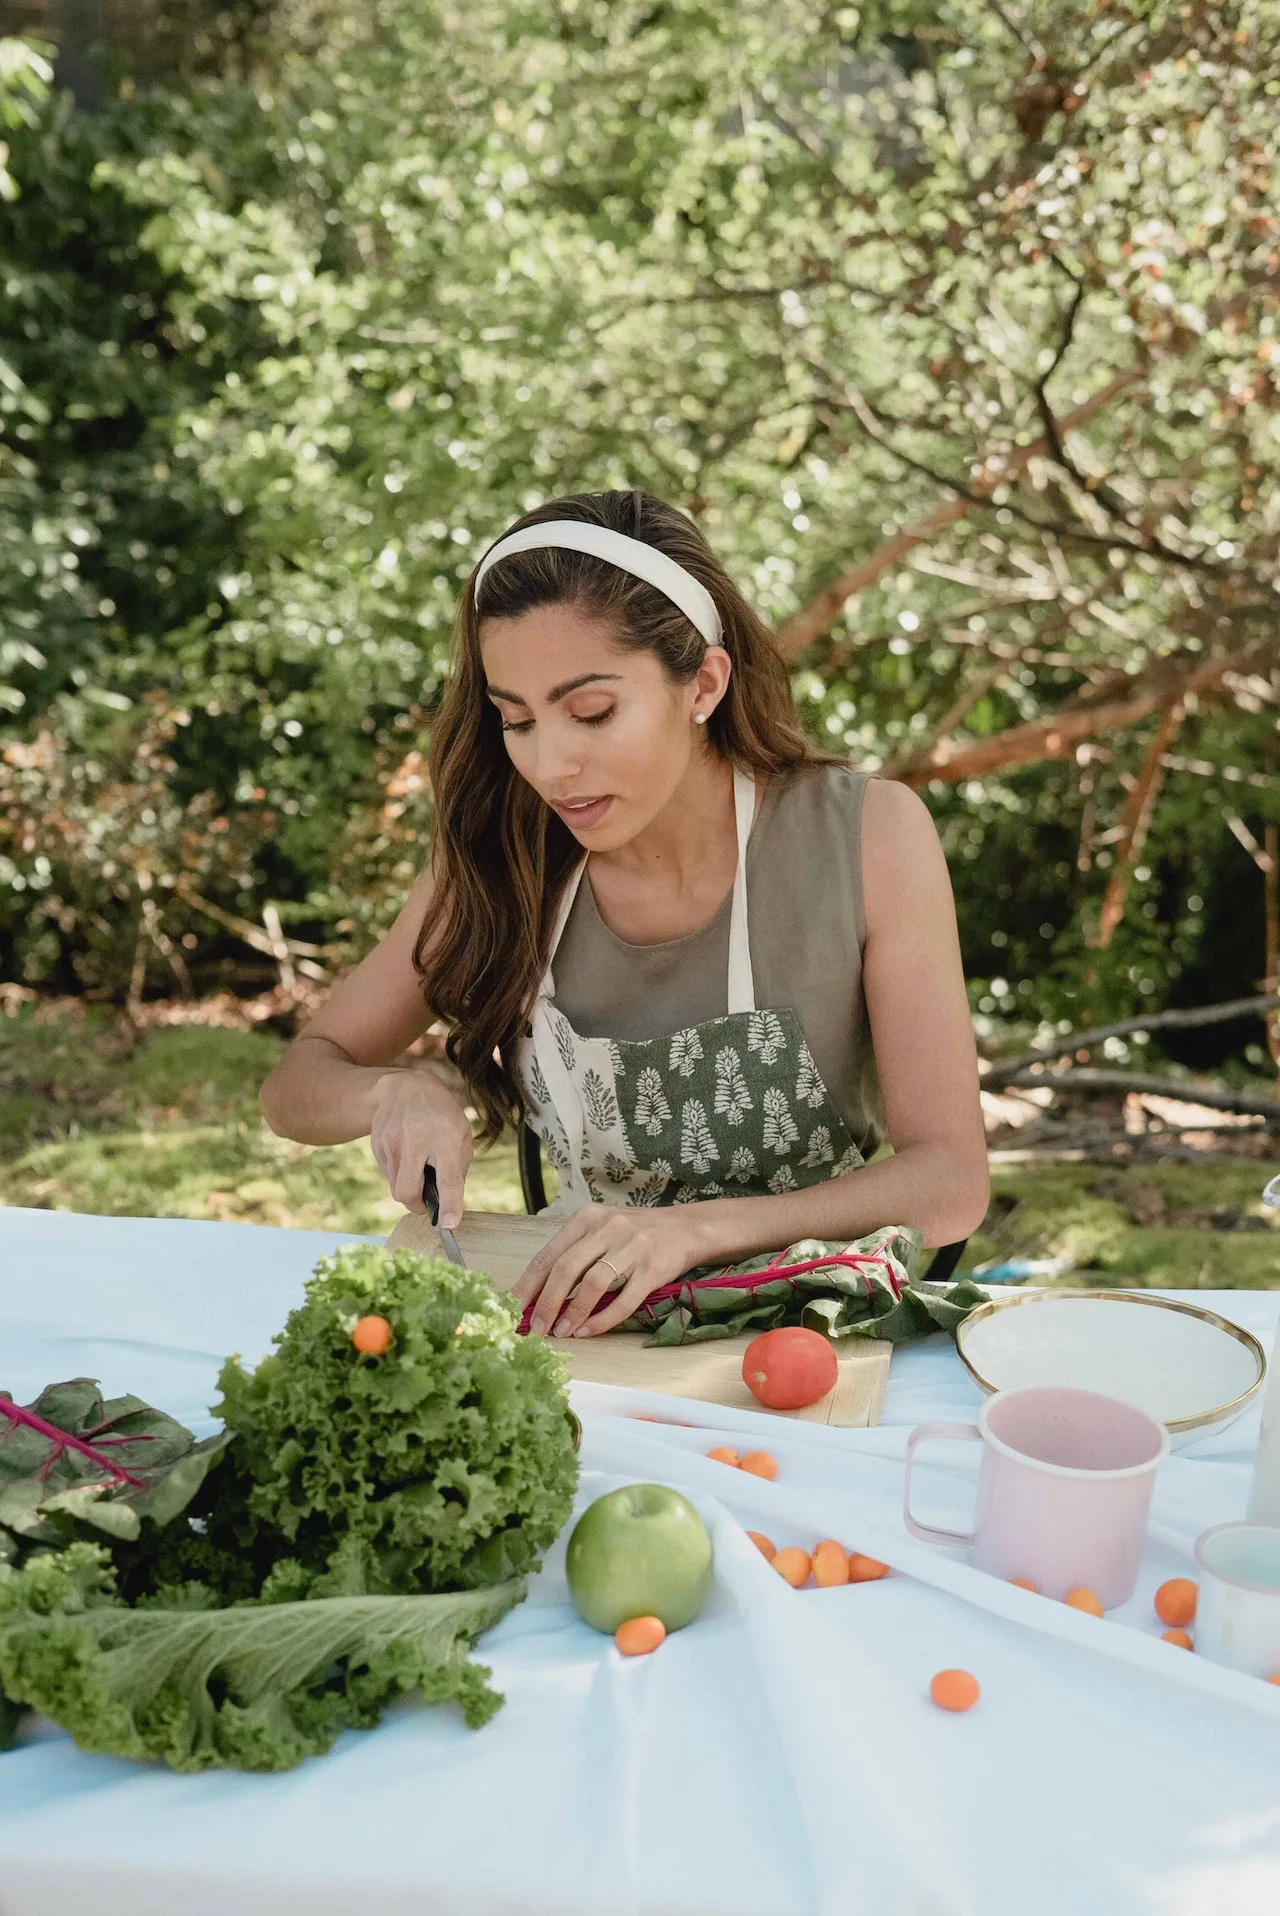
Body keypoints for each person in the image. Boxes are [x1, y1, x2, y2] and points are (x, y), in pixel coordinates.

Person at [260, 489, 988, 1338]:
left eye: (592, 712)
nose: (551, 765)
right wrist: (394, 1092)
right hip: (599, 1332)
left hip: (816, 1332)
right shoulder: (506, 863)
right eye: (516, 721)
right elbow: (296, 1085)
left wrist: (697, 1232)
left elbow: (950, 1180)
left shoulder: (867, 836)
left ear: (703, 684)